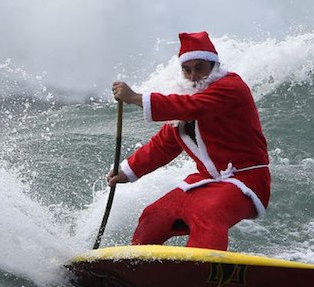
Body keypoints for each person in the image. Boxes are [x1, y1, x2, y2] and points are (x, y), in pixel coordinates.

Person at [108, 31, 270, 251]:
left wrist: (135, 97)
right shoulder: (189, 100)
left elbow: (191, 107)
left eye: (200, 68)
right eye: (187, 70)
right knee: (153, 216)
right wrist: (126, 171)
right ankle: (135, 269)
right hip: (207, 181)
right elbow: (163, 145)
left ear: (214, 66)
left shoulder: (231, 88)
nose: (193, 76)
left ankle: (202, 270)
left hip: (246, 180)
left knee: (208, 211)